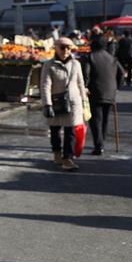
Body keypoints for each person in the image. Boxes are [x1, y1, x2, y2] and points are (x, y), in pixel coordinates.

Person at [41, 37, 87, 171]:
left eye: (68, 48)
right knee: (55, 130)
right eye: (62, 47)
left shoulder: (76, 64)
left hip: (73, 102)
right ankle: (57, 153)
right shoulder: (49, 65)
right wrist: (47, 104)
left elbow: (80, 83)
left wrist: (84, 101)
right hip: (56, 102)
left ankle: (68, 158)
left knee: (71, 131)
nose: (65, 50)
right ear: (56, 48)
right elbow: (45, 85)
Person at [82, 38, 124, 155]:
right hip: (110, 93)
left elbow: (86, 74)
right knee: (104, 119)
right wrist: (116, 88)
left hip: (95, 93)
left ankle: (99, 145)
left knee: (95, 120)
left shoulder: (90, 57)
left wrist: (84, 87)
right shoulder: (112, 58)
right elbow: (121, 74)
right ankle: (101, 142)